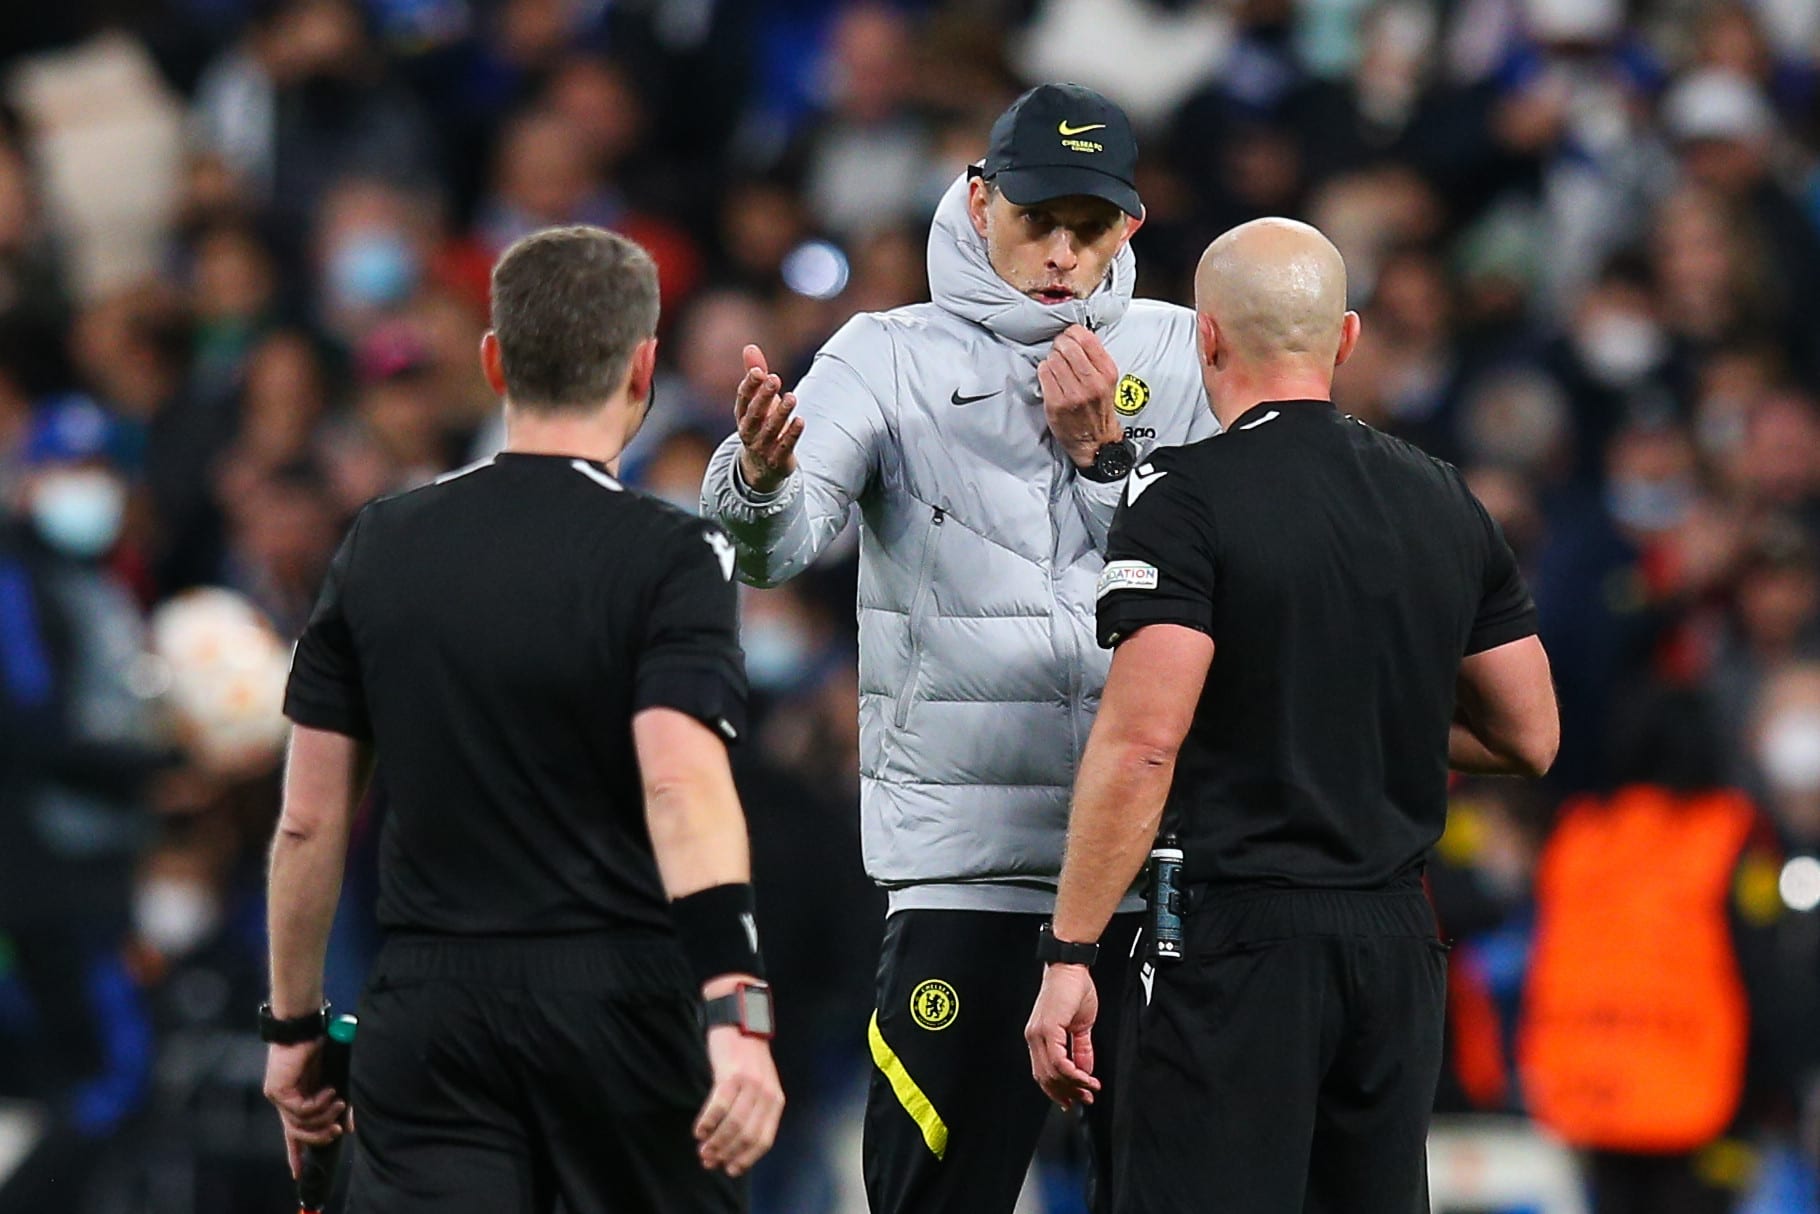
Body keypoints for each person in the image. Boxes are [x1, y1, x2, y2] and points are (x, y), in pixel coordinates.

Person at [702, 82, 1220, 1214]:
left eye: (1086, 226)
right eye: (1035, 217)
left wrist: (1103, 464)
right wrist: (755, 477)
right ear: (979, 200)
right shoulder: (883, 354)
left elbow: (1218, 584)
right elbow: (771, 551)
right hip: (966, 874)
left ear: (1128, 226)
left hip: (1149, 878)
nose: (1058, 250)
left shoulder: (1185, 357)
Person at [1024, 218, 1559, 1213]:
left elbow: (1143, 741)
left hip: (1235, 940)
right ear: (1345, 338)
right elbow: (1528, 735)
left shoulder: (1183, 495)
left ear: (1207, 338)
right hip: (1396, 944)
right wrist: (1350, 709)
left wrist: (1067, 952)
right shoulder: (1441, 495)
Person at [262, 226, 783, 1214]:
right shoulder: (669, 552)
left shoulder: (380, 541)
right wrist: (735, 1004)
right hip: (622, 1009)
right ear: (642, 368)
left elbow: (307, 819)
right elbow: (678, 781)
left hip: (428, 1013)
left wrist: (294, 1028)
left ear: (494, 360)